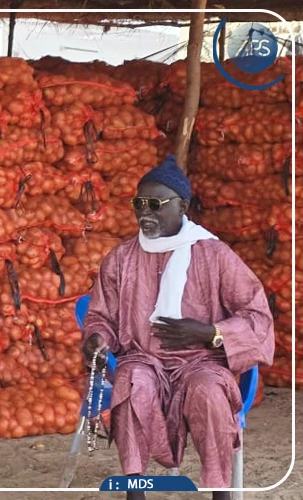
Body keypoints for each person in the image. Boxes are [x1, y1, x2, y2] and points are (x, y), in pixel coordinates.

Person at [81, 155, 274, 500]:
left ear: (182, 206)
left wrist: (209, 333)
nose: (145, 212)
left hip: (201, 363)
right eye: (139, 203)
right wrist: (97, 339)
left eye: (155, 204)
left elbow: (257, 316)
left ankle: (220, 493)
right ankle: (135, 492)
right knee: (131, 380)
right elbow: (101, 317)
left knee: (210, 391)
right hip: (144, 360)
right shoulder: (120, 259)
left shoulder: (215, 255)